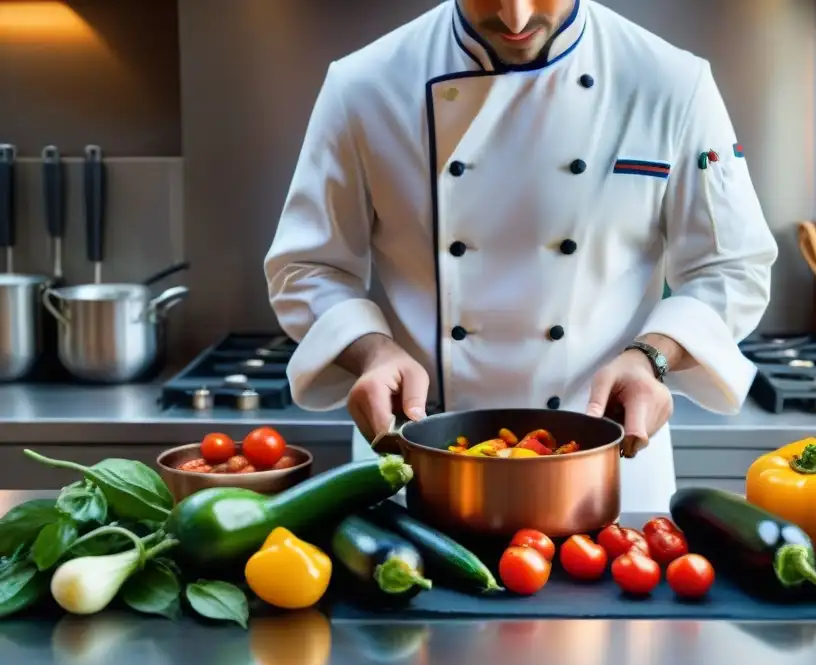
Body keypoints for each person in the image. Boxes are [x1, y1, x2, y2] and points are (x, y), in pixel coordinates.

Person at [265, 0, 777, 511]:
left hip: (610, 465)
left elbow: (731, 267)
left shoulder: (671, 84)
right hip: (417, 463)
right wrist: (372, 351)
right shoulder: (363, 86)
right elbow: (307, 266)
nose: (516, 18)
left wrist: (652, 357)